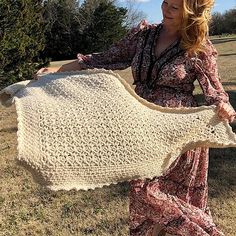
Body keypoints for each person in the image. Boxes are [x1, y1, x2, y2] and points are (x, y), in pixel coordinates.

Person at [35, 0, 236, 235]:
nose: (165, 10)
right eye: (165, 3)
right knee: (144, 194)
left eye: (174, 7)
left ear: (191, 12)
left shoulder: (198, 46)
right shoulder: (143, 36)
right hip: (142, 129)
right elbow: (104, 58)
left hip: (179, 135)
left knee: (166, 196)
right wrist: (57, 71)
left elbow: (214, 90)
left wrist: (224, 106)